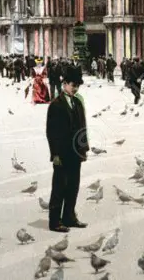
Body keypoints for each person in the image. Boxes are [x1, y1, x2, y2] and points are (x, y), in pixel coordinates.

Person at [45, 66, 88, 233]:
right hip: (62, 153)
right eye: (72, 85)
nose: (75, 88)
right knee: (59, 187)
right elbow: (51, 132)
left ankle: (69, 217)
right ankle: (55, 221)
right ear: (64, 84)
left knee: (73, 186)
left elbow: (82, 128)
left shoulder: (77, 102)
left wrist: (83, 149)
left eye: (77, 85)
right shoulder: (56, 105)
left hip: (75, 153)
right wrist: (54, 153)